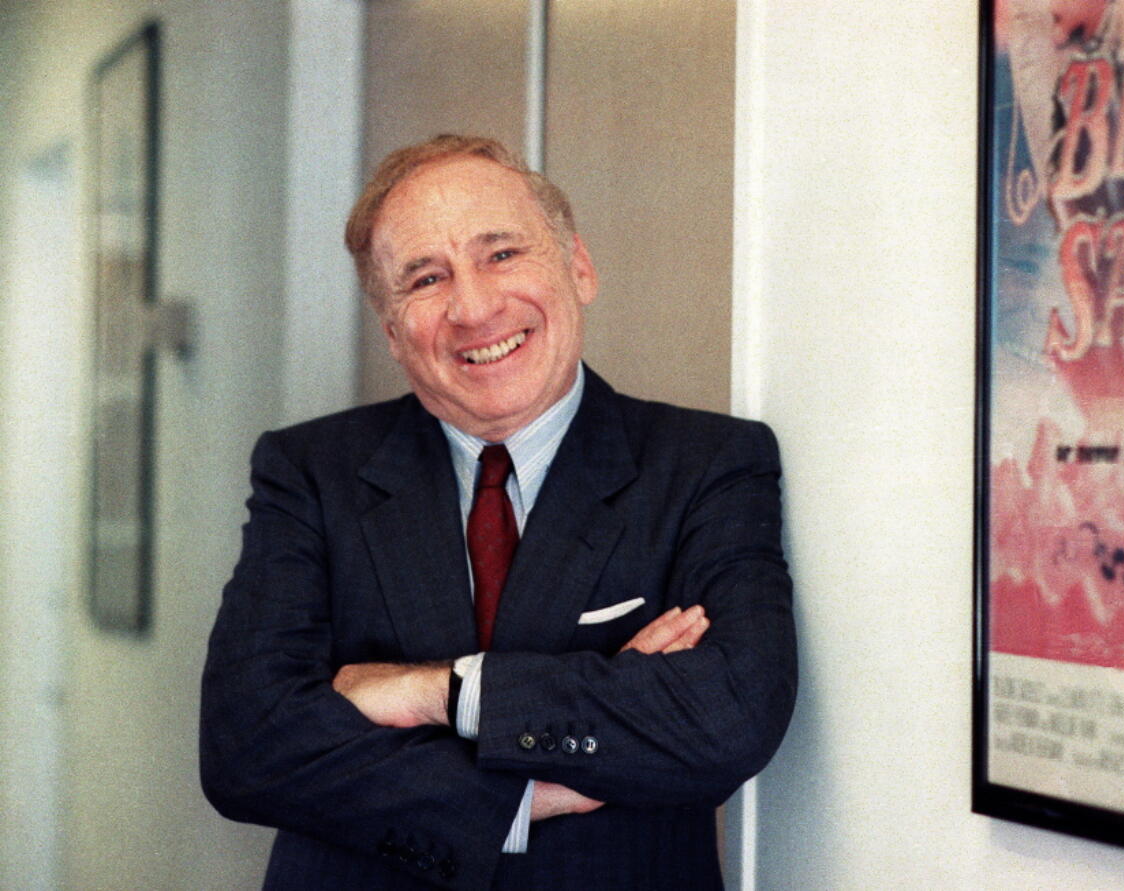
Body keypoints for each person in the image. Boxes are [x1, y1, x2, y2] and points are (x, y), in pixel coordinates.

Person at [200, 134, 796, 890]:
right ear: (391, 330)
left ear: (579, 267)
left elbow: (731, 714)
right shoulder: (310, 473)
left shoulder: (707, 464)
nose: (474, 307)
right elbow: (245, 744)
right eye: (425, 278)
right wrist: (524, 791)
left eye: (502, 254)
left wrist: (437, 689)